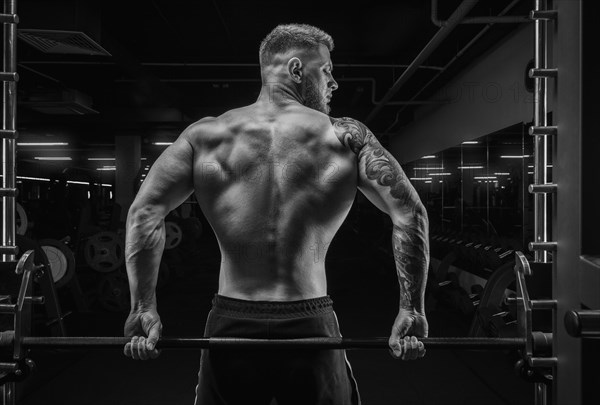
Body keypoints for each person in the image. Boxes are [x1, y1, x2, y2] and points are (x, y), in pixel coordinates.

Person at [123, 23, 429, 405]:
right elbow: (410, 214)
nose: (333, 83)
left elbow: (144, 215)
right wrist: (411, 308)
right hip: (310, 322)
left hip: (231, 324)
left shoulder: (205, 136)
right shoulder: (344, 136)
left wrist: (142, 308)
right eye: (327, 70)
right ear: (297, 69)